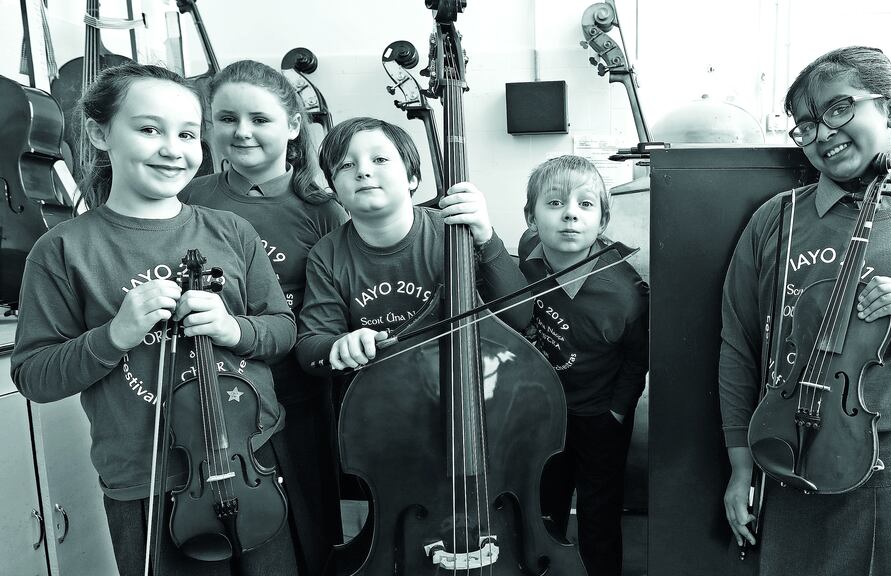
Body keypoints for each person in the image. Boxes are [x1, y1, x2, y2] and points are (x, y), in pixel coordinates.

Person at [11, 61, 300, 576]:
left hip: (250, 460)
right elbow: (34, 374)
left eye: (188, 133)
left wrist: (235, 329)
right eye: (149, 129)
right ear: (100, 134)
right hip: (147, 481)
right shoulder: (62, 249)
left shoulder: (232, 230)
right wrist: (115, 334)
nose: (173, 149)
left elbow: (281, 330)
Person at [719, 46, 891, 576]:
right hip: (793, 458)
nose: (823, 133)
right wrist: (740, 466)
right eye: (807, 124)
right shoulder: (775, 222)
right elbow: (739, 347)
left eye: (840, 108)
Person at [179, 59, 346, 575]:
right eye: (226, 118)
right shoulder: (191, 196)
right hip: (207, 397)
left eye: (260, 119)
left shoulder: (323, 207)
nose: (242, 131)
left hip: (295, 389)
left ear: (294, 126)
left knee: (307, 525)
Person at [295, 116, 529, 372]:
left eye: (380, 160)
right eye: (346, 165)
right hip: (382, 391)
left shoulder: (454, 231)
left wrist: (486, 237)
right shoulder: (327, 254)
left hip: (470, 373)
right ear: (334, 189)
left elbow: (519, 317)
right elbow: (309, 349)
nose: (363, 171)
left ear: (413, 179)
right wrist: (340, 344)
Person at [517, 155, 649, 576]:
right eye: (554, 203)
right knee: (544, 502)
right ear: (531, 218)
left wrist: (617, 410)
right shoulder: (526, 264)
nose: (570, 213)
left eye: (585, 205)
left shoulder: (627, 291)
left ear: (603, 219)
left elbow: (637, 357)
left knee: (598, 510)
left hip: (600, 415)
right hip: (543, 413)